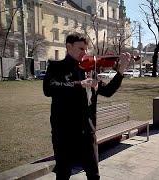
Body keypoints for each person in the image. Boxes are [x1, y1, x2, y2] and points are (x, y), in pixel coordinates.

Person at [43, 33, 131, 180]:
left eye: (86, 49)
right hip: (64, 132)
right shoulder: (56, 67)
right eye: (81, 49)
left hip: (87, 131)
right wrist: (79, 84)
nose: (85, 52)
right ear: (68, 47)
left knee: (94, 175)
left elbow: (108, 92)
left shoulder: (89, 69)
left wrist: (120, 71)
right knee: (63, 174)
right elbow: (49, 89)